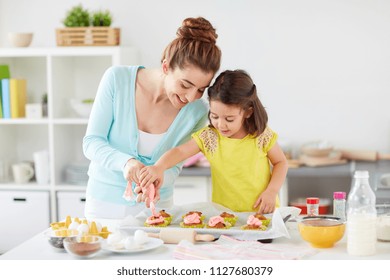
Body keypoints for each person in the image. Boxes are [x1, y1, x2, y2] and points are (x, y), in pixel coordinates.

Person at [82, 17, 222, 219]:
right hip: (104, 203)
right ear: (166, 67)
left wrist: (159, 177)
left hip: (158, 207)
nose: (191, 97)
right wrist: (127, 163)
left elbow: (175, 163)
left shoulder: (197, 112)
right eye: (185, 85)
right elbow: (92, 143)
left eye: (201, 89)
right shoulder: (116, 80)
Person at [139, 70, 288, 214]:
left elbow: (281, 162)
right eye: (214, 116)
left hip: (262, 213)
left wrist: (272, 191)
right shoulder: (210, 138)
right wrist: (159, 167)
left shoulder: (261, 135)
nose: (221, 125)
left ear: (248, 112)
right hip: (225, 216)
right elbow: (180, 151)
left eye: (229, 119)